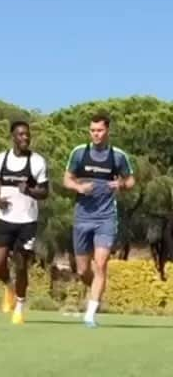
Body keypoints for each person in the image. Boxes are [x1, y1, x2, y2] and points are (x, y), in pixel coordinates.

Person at [62, 113, 135, 327]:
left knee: (101, 264)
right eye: (93, 130)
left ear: (107, 131)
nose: (96, 134)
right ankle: (96, 288)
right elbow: (66, 179)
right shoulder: (79, 153)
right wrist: (78, 187)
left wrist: (121, 185)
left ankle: (90, 313)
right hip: (82, 216)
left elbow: (131, 180)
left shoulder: (118, 156)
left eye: (100, 130)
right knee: (83, 270)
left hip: (106, 217)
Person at [0, 120, 49, 325]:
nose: (25, 138)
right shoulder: (0, 159)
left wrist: (30, 191)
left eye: (27, 135)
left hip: (27, 221)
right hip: (4, 219)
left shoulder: (37, 162)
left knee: (21, 265)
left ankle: (20, 306)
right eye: (21, 135)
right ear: (12, 137)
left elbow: (45, 192)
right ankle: (9, 287)